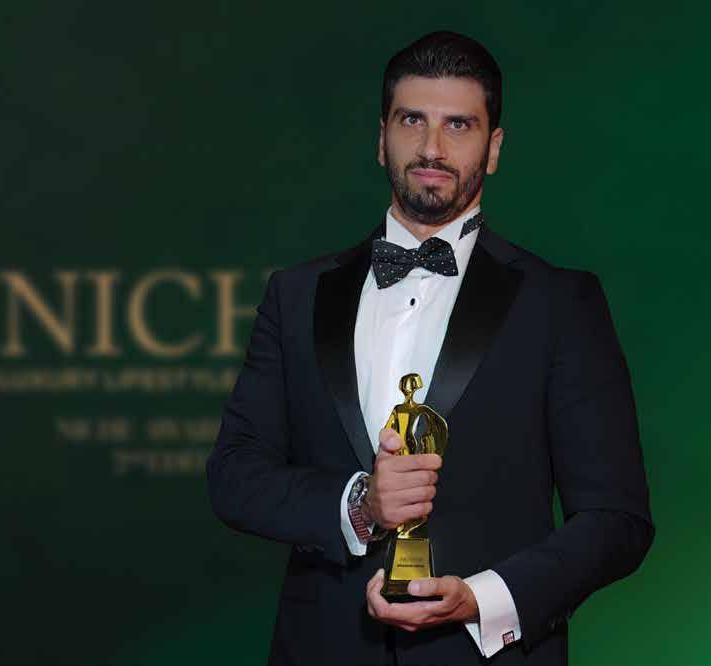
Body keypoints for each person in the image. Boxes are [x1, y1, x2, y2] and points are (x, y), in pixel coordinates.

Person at [206, 30, 654, 666]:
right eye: (412, 120)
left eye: (459, 125)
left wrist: (482, 599)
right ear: (381, 138)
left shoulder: (561, 303)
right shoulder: (297, 294)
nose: (432, 148)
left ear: (493, 148)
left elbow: (616, 519)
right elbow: (234, 475)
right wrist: (361, 504)